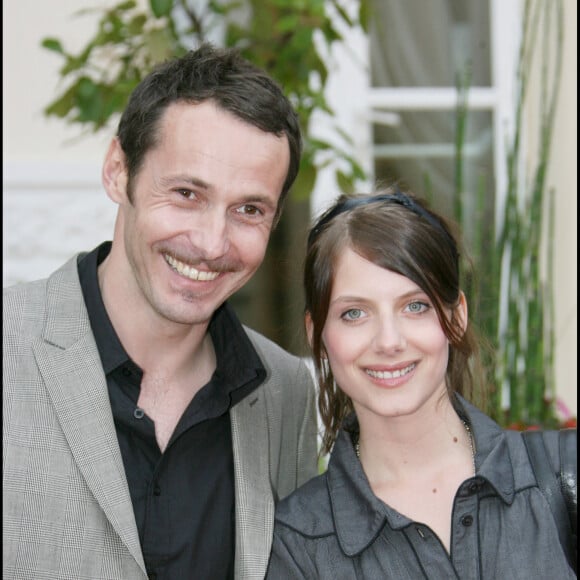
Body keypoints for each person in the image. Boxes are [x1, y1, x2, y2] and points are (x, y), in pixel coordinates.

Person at [3, 43, 318, 580]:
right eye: (187, 193)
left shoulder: (285, 392)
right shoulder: (12, 341)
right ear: (117, 171)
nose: (212, 242)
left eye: (249, 209)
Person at [266, 185, 577, 579]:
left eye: (415, 306)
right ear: (317, 335)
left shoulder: (564, 475)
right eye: (354, 314)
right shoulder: (298, 546)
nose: (389, 341)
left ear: (458, 316)